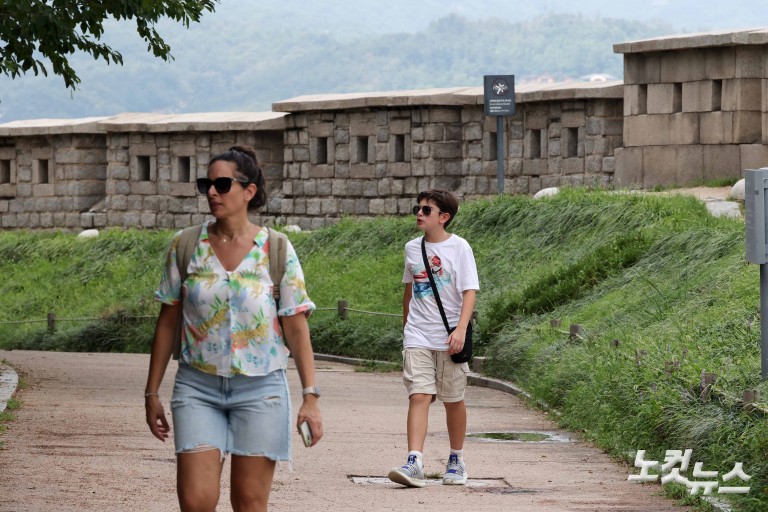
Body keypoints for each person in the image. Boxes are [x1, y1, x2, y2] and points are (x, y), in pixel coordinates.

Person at [144, 145, 323, 512]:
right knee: (196, 503)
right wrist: (151, 393)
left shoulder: (276, 248)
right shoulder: (186, 245)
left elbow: (296, 326)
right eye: (206, 184)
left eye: (222, 184)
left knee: (249, 504)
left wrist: (310, 396)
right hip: (197, 386)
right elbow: (167, 322)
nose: (212, 192)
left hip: (261, 390)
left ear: (249, 191)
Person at [388, 189, 479, 488]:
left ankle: (457, 459)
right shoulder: (412, 249)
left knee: (453, 400)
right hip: (418, 335)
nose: (419, 213)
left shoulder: (460, 248)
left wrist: (461, 329)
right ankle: (414, 461)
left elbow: (469, 291)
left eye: (426, 210)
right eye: (418, 208)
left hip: (450, 335)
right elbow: (408, 289)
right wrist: (406, 328)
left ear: (444, 217)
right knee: (419, 394)